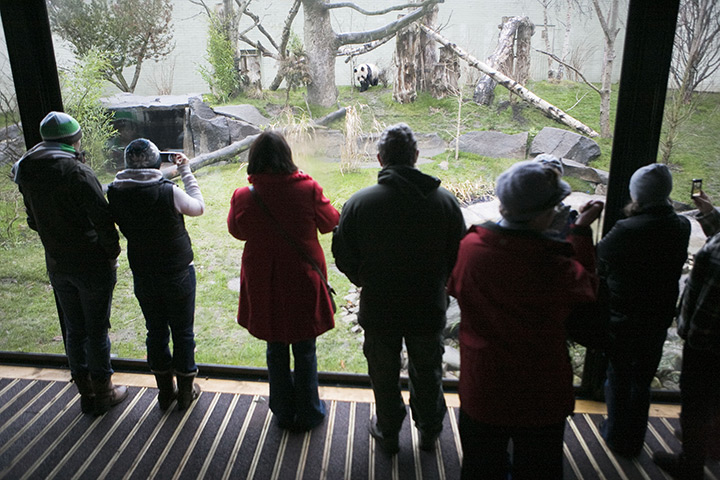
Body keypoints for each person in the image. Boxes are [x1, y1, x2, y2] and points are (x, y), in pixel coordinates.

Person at [447, 160, 604, 479]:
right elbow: (587, 289)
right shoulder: (553, 264)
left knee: (480, 467)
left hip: (484, 384)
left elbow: (456, 288)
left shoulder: (470, 247)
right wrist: (581, 232)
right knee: (538, 469)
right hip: (540, 391)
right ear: (544, 213)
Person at [332, 123, 466, 454]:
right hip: (428, 305)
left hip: (380, 306)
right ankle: (430, 430)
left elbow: (343, 254)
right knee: (428, 369)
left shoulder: (360, 203)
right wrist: (441, 281)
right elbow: (459, 254)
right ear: (417, 157)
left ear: (379, 159)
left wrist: (363, 279)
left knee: (383, 372)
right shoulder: (446, 203)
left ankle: (388, 431)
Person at [11, 111, 127, 415]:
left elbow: (33, 220)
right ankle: (105, 390)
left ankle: (85, 392)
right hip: (90, 263)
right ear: (74, 140)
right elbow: (103, 219)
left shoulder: (27, 170)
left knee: (74, 328)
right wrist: (111, 251)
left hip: (57, 263)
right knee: (96, 328)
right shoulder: (77, 172)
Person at [227, 130, 339, 431]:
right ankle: (310, 411)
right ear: (287, 156)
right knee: (305, 347)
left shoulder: (244, 196)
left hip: (264, 278)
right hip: (301, 276)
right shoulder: (308, 188)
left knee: (275, 347)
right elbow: (331, 222)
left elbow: (237, 231)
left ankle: (282, 409)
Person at [597, 163, 690, 457]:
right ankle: (634, 438)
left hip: (624, 314)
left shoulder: (627, 228)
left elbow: (599, 255)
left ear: (637, 194)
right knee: (642, 378)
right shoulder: (681, 226)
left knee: (619, 374)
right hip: (658, 315)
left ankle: (615, 435)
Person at [107, 139, 204, 411]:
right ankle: (185, 393)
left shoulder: (114, 192)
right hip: (177, 271)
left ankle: (165, 392)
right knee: (183, 332)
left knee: (155, 331)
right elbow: (198, 207)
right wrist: (186, 171)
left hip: (144, 273)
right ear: (155, 162)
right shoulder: (167, 191)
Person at [653, 191, 720, 479]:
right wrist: (709, 214)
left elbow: (709, 305)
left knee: (696, 399)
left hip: (709, 343)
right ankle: (709, 439)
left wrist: (691, 337)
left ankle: (691, 463)